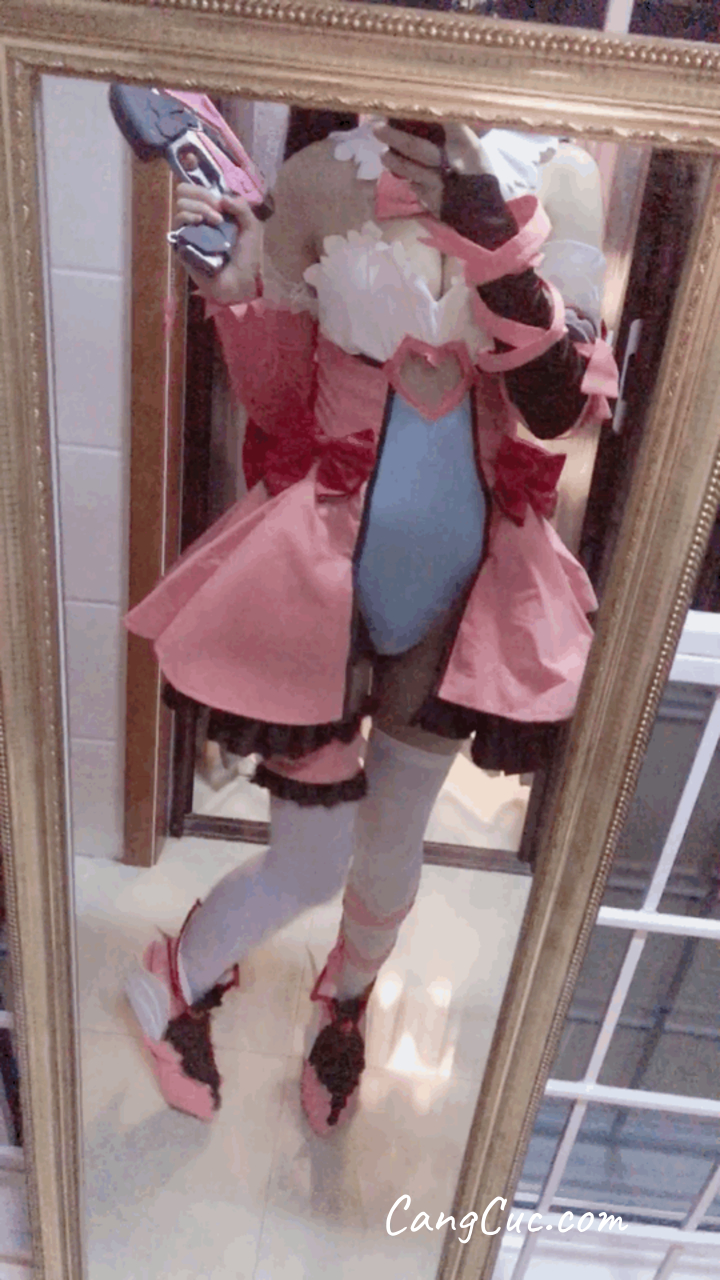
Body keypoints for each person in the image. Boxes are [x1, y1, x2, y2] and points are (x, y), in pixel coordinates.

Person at [124, 110, 617, 1134]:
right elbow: (280, 409)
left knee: (391, 851)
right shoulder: (314, 176)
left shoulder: (564, 178)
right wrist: (240, 296)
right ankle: (174, 975)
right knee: (307, 860)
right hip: (318, 581)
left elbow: (557, 411)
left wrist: (494, 235)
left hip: (464, 590)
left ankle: (346, 1001)